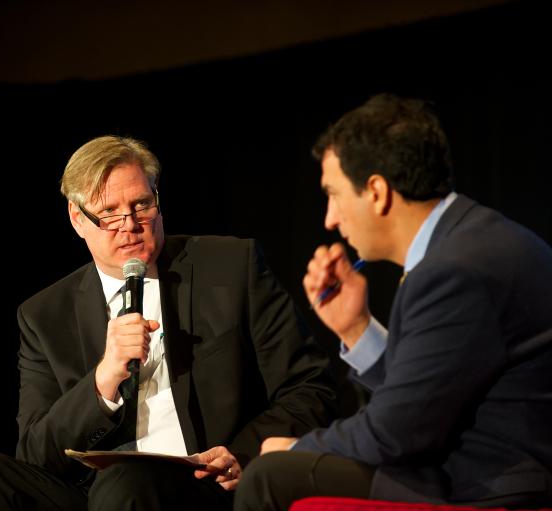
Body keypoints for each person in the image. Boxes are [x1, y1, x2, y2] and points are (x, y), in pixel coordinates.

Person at [0, 135, 337, 510]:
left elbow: (310, 386)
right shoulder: (42, 315)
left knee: (125, 482)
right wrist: (102, 382)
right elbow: (36, 456)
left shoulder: (230, 267)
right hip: (91, 492)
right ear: (77, 219)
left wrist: (243, 453)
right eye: (109, 213)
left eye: (142, 204)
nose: (130, 224)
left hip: (199, 483)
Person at [234, 94, 552, 510]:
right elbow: (423, 399)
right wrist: (356, 328)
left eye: (333, 194)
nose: (329, 218)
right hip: (466, 469)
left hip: (488, 488)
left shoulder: (454, 269)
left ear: (377, 191)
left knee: (270, 475)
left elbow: (395, 434)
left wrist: (293, 447)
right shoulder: (470, 241)